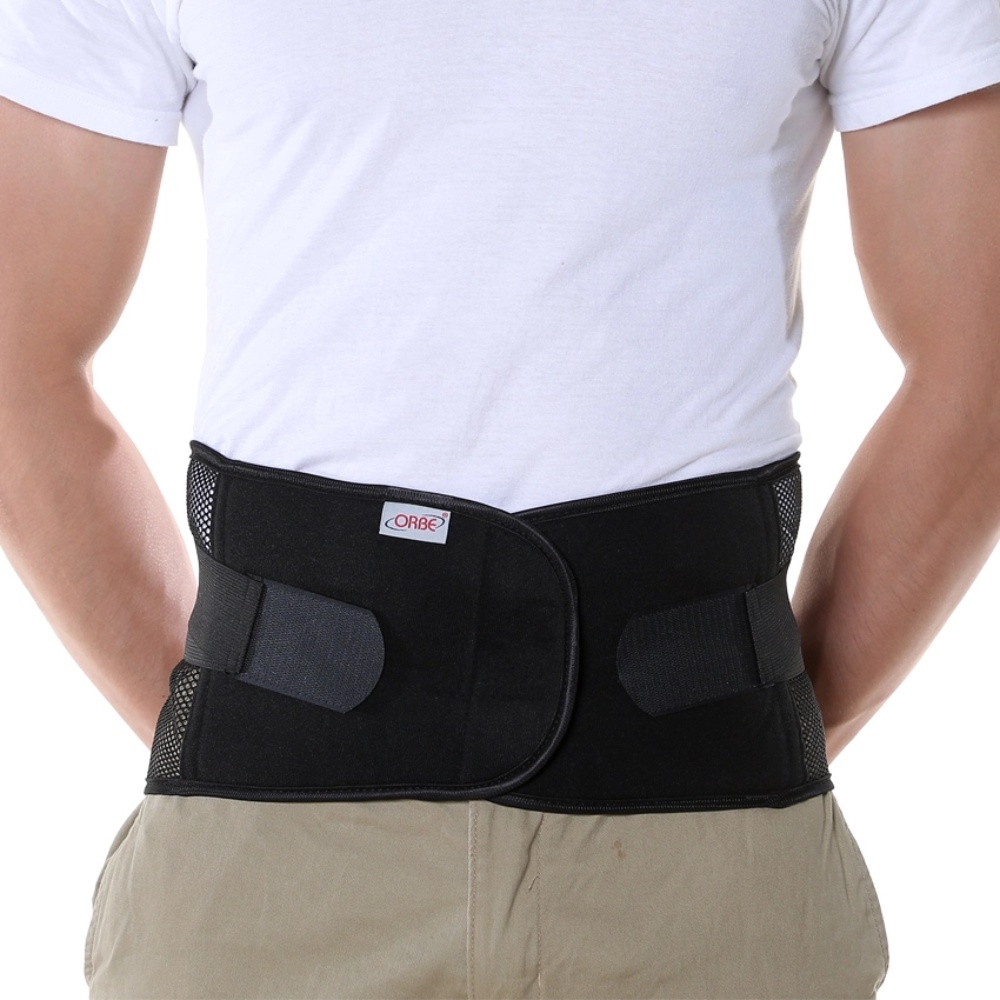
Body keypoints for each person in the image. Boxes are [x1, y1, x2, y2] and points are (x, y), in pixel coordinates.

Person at [1, 1, 999, 997]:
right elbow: (17, 365)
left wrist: (751, 715)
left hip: (703, 856)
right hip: (265, 863)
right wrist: (237, 710)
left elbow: (980, 369)